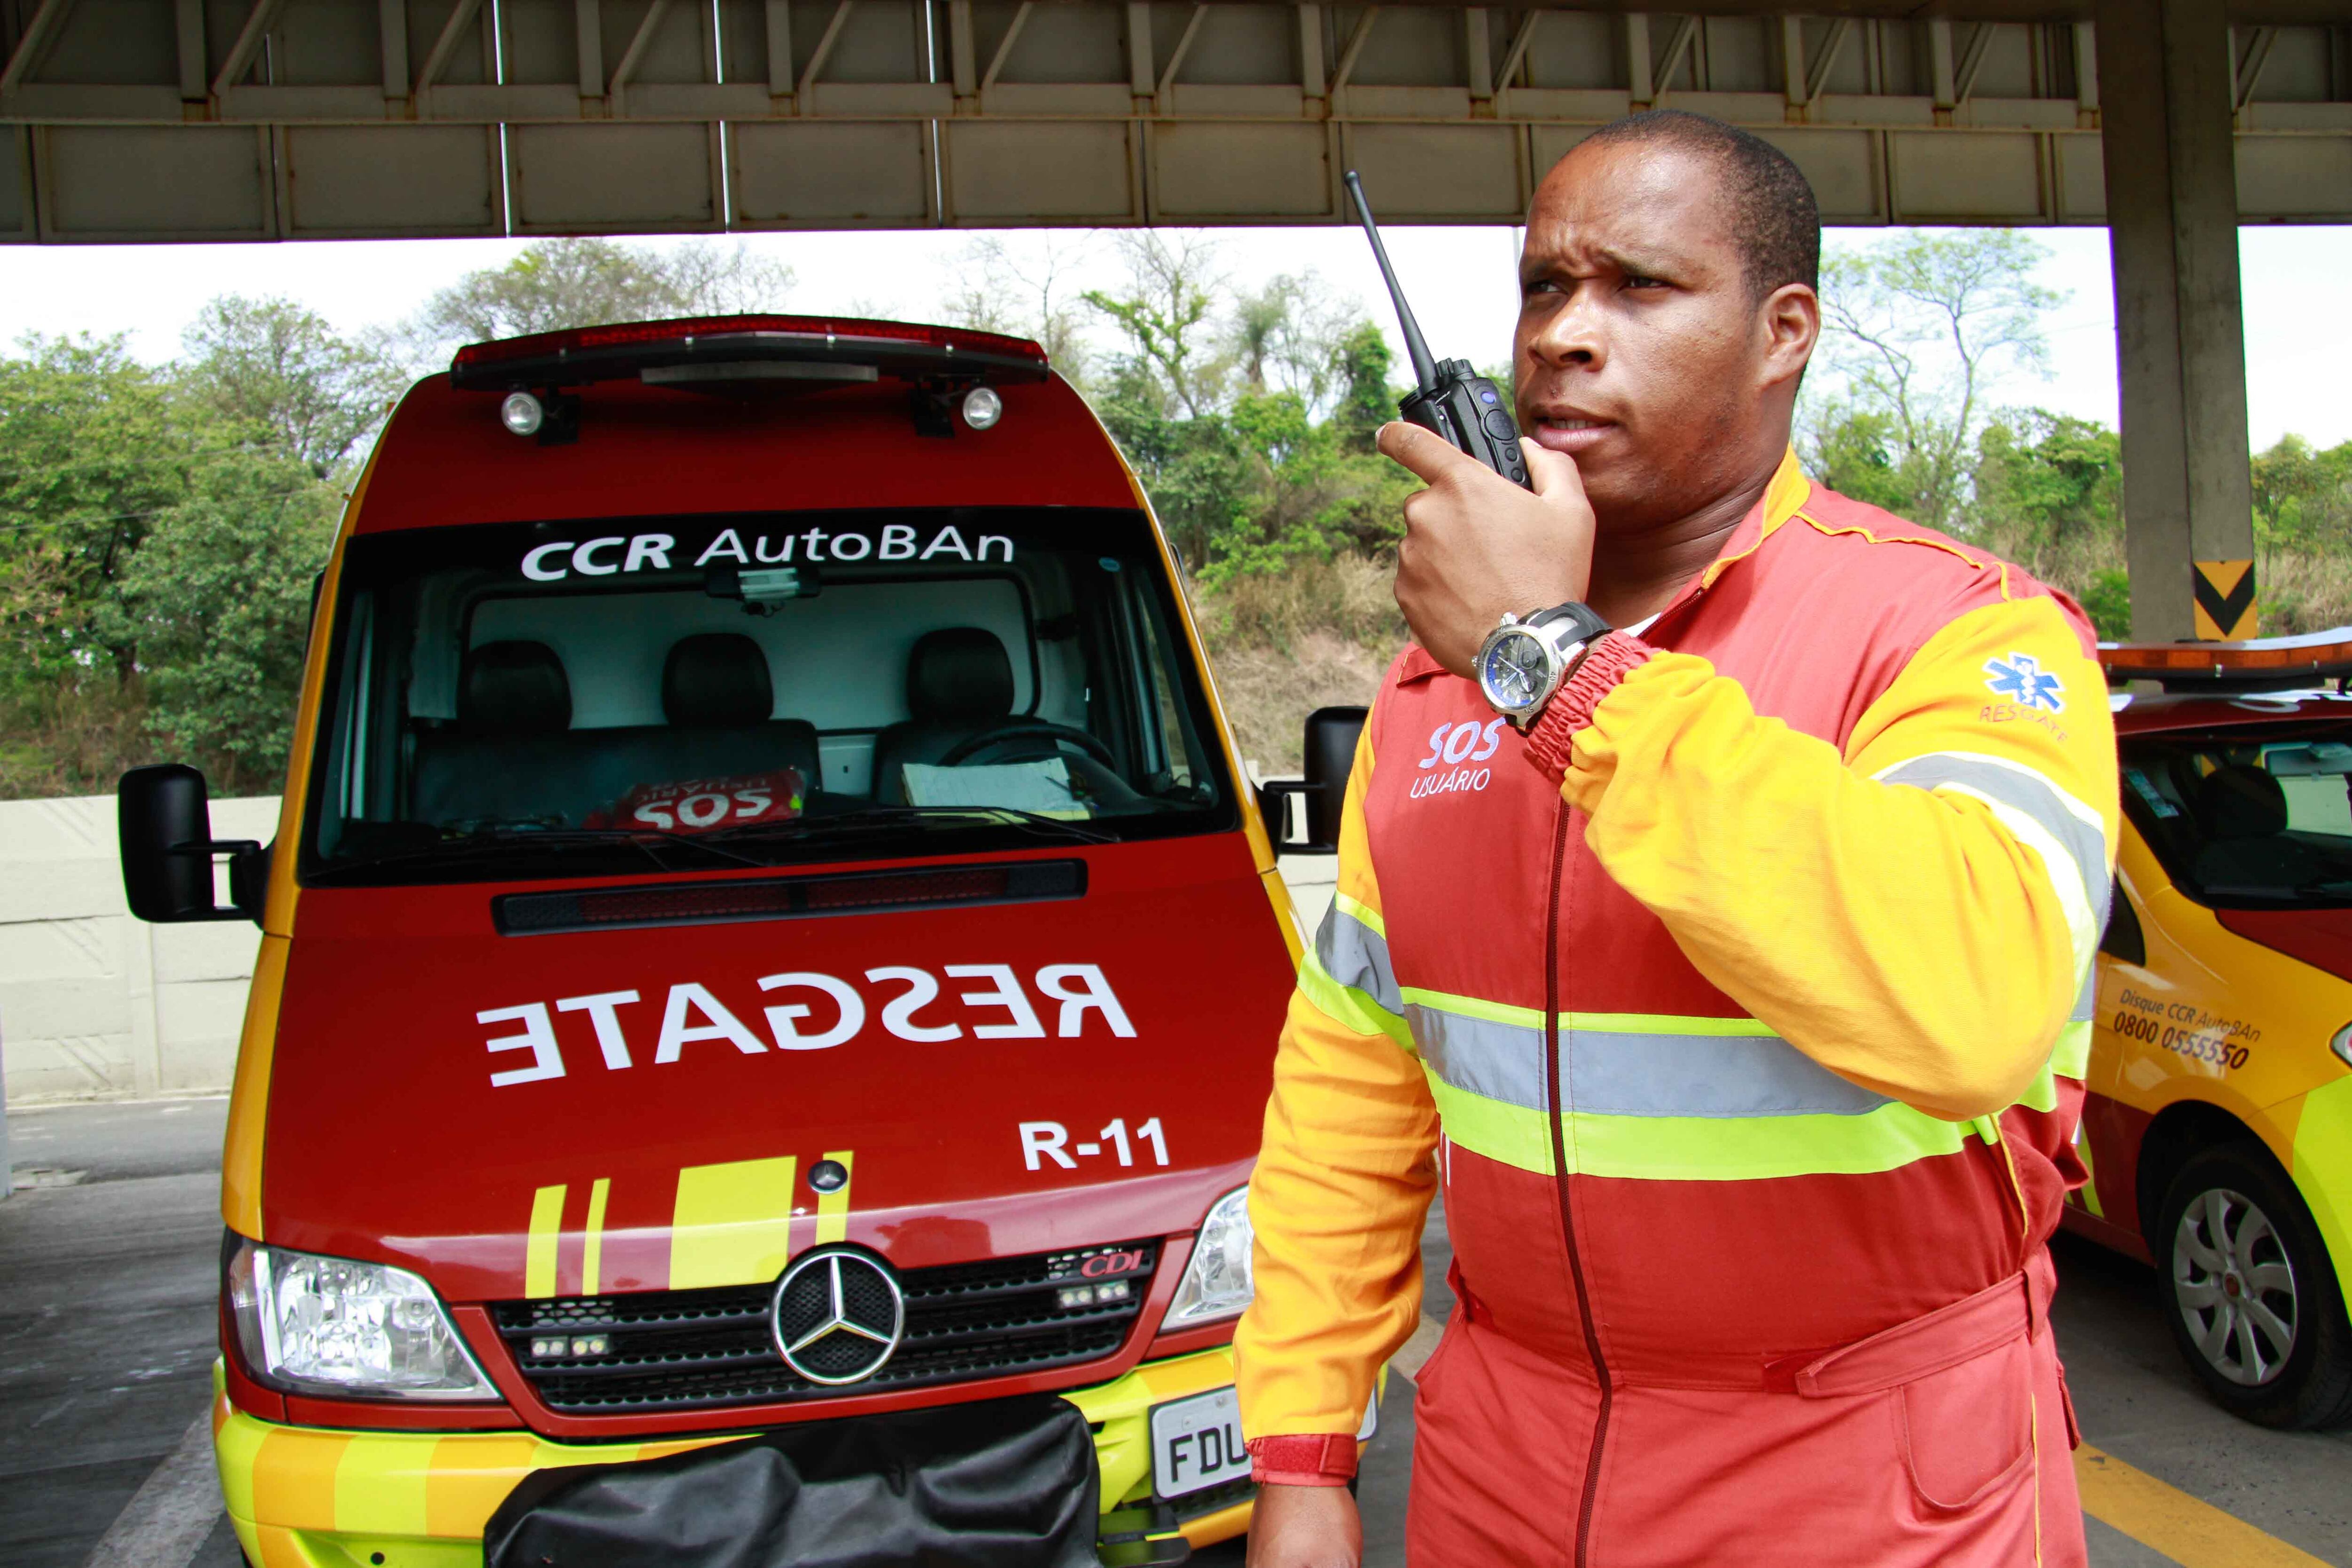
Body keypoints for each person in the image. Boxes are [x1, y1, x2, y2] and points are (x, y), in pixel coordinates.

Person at [1235, 110, 2116, 1568]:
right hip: (1506, 1461)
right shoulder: (1422, 692)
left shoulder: (1956, 633)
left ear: (1785, 333)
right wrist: (1306, 1453)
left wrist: (1550, 665)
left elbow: (1964, 1006)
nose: (1565, 336)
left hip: (1862, 1476)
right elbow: (1353, 1092)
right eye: (1542, 287)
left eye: (1639, 287)